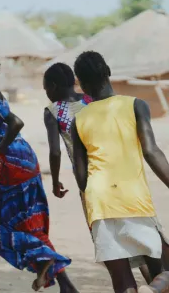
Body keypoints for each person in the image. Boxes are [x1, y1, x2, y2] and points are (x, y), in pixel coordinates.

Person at [0, 50, 78, 292]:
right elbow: (0, 135)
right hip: (22, 161)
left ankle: (41, 254)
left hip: (16, 164)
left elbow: (16, 124)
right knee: (30, 227)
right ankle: (66, 285)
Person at [43, 63, 160, 284]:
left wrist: (56, 180)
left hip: (90, 182)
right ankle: (155, 284)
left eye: (45, 89)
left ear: (53, 86)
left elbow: (55, 151)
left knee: (115, 249)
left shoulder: (53, 111)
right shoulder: (90, 100)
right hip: (123, 177)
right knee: (142, 245)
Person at [71, 51, 169, 293]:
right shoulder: (136, 105)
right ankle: (154, 289)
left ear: (81, 85)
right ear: (108, 72)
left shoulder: (78, 119)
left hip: (99, 202)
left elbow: (81, 177)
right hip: (131, 198)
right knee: (161, 270)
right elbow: (151, 151)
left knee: (122, 279)